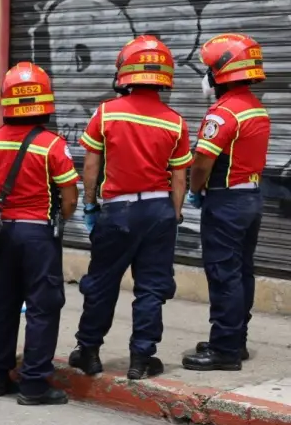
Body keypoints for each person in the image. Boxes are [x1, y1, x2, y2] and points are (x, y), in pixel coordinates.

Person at [70, 35, 191, 381]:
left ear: (125, 72)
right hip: (159, 211)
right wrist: (175, 213)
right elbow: (178, 179)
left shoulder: (106, 112)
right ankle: (141, 359)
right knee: (152, 288)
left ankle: (89, 352)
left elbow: (91, 165)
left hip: (118, 211)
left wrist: (90, 204)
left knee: (102, 284)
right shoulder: (175, 121)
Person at [0, 62, 79, 406]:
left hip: (3, 233)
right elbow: (69, 196)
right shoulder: (53, 146)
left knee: (3, 305)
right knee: (42, 307)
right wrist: (58, 221)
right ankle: (34, 384)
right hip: (38, 235)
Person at [181, 34, 270, 371]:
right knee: (241, 272)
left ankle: (224, 351)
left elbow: (202, 161)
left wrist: (195, 189)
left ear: (222, 73)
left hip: (226, 201)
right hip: (250, 198)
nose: (205, 77)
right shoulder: (255, 108)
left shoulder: (223, 112)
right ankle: (235, 339)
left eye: (208, 70)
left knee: (223, 275)